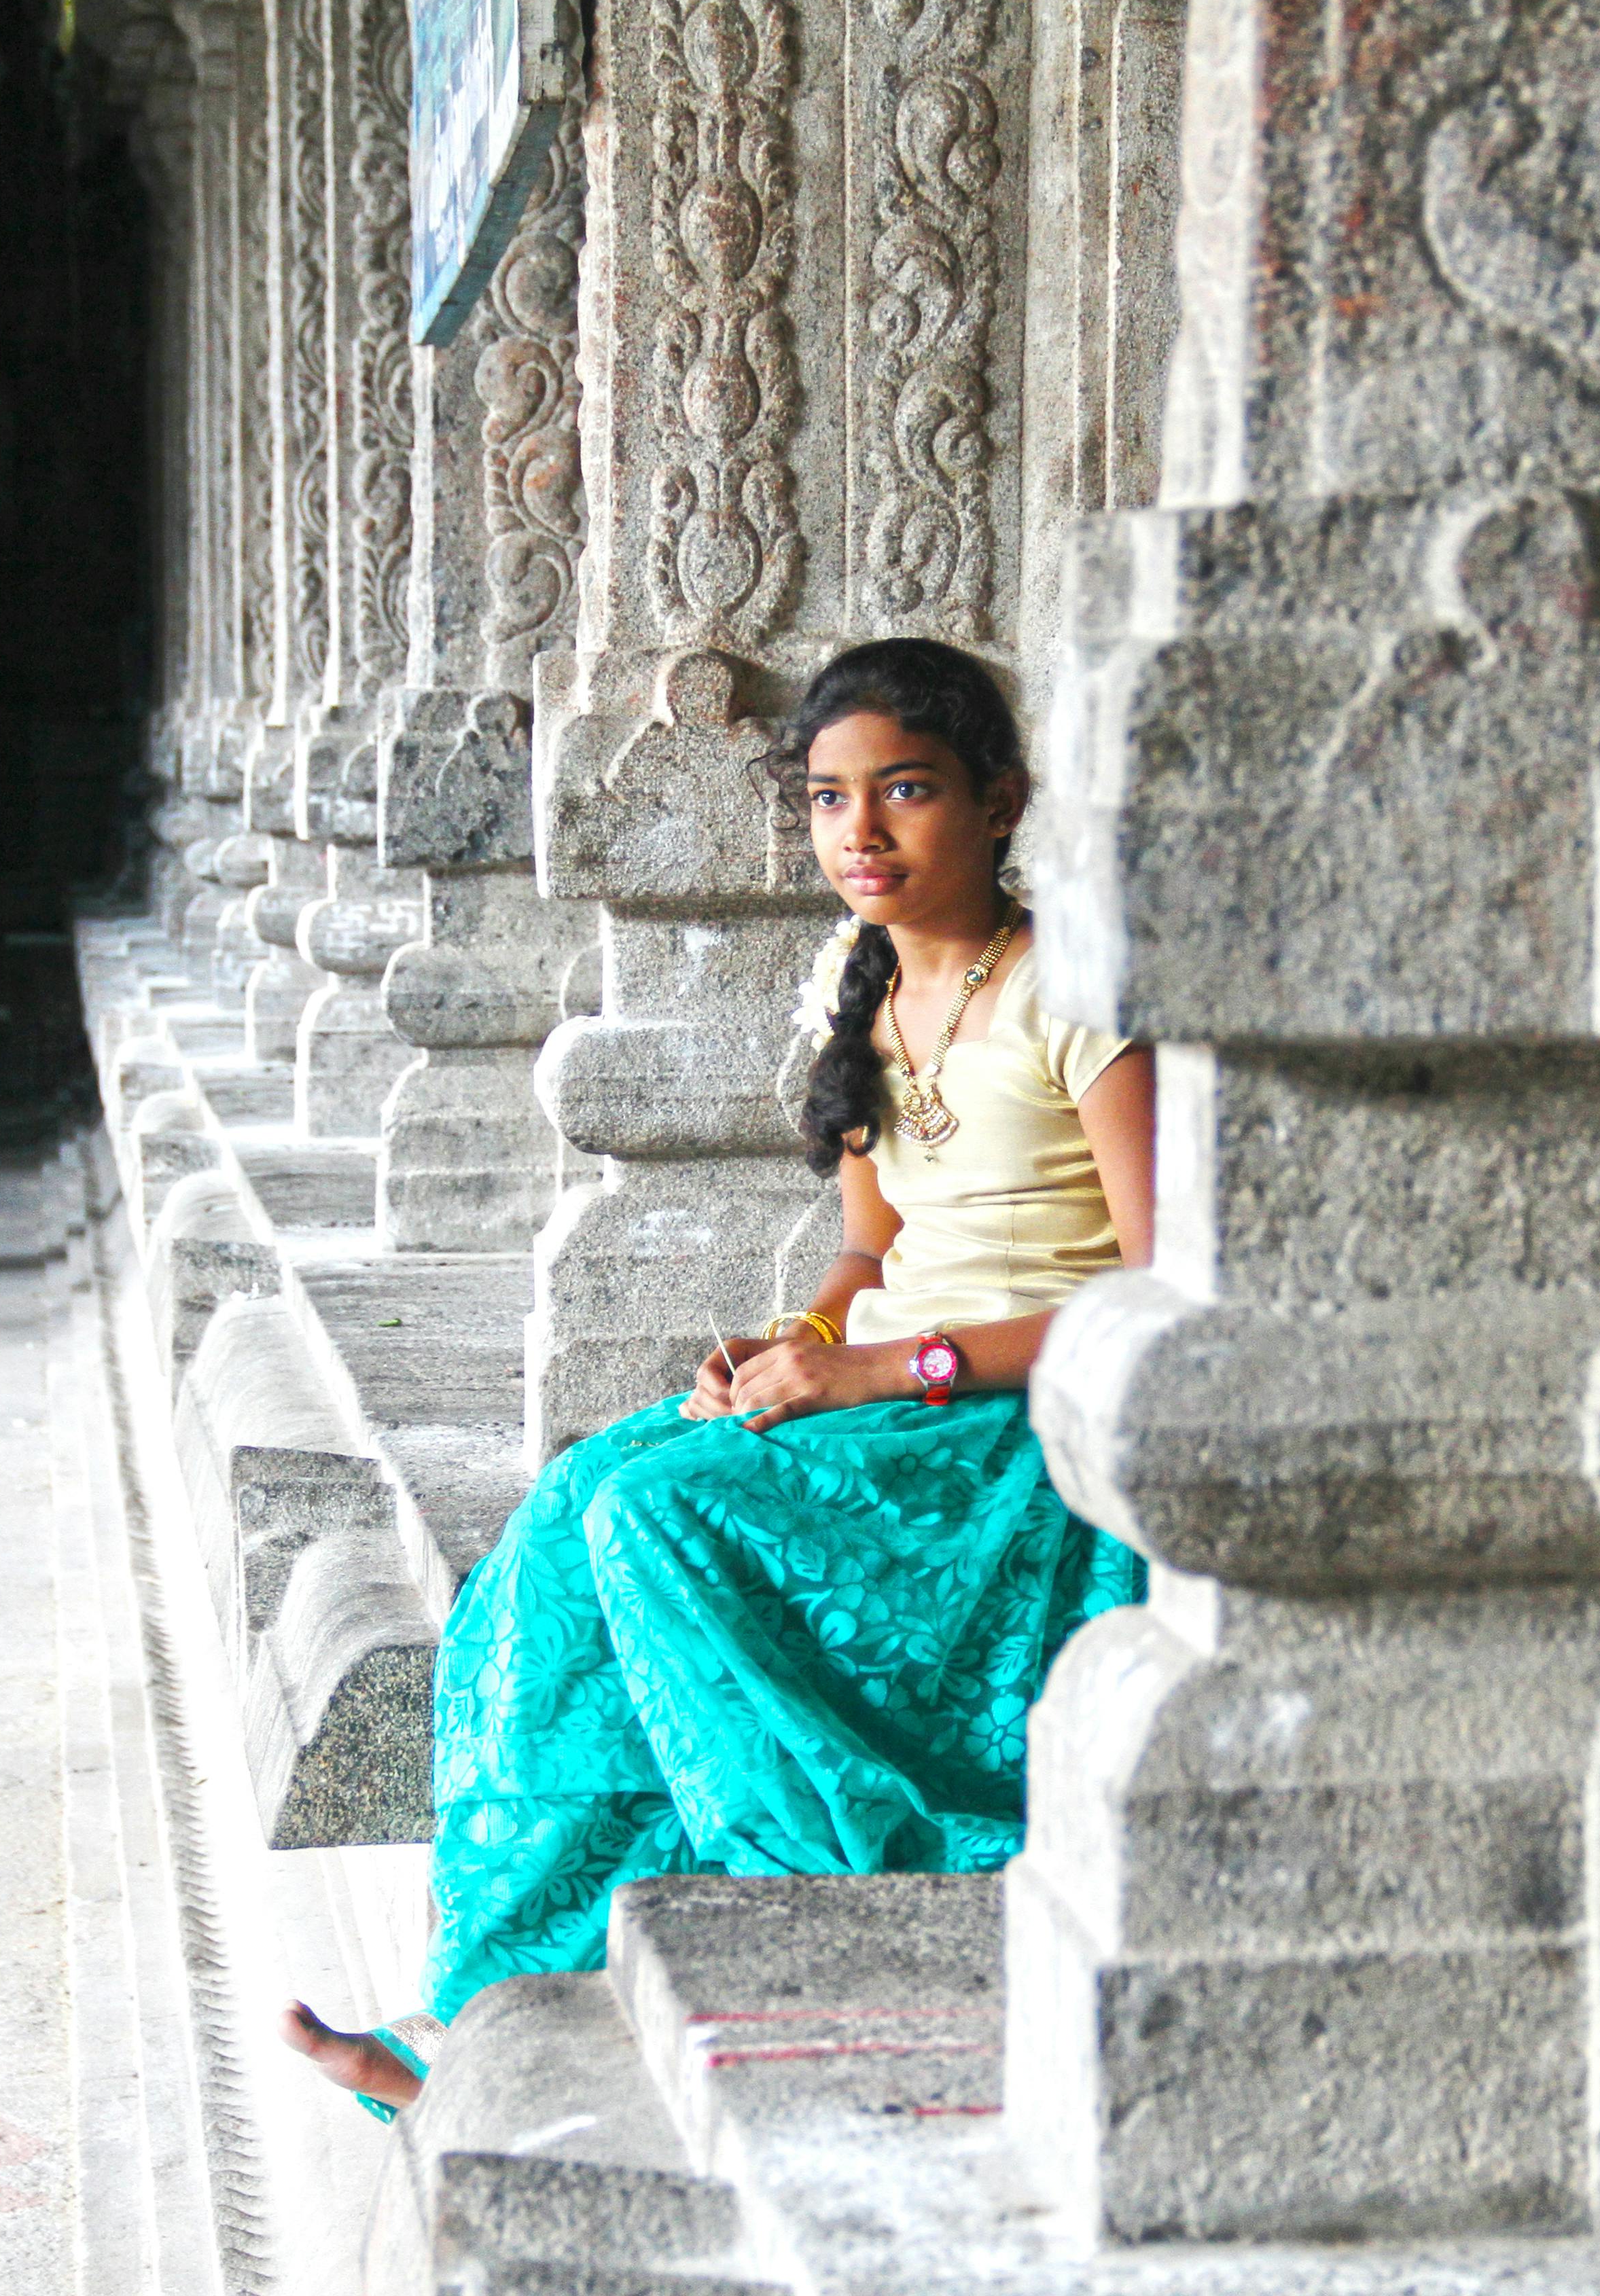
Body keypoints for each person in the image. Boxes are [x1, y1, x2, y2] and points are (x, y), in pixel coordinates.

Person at [279, 639, 1158, 2115]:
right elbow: (866, 1256)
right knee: (574, 1509)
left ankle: (811, 1887)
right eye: (827, 801)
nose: (859, 836)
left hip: (1011, 1432)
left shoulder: (1073, 987)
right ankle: (481, 2014)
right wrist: (801, 1343)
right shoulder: (856, 982)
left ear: (1001, 803)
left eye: (906, 792)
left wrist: (887, 1370)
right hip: (885, 1387)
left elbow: (1154, 1295)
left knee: (662, 1521)